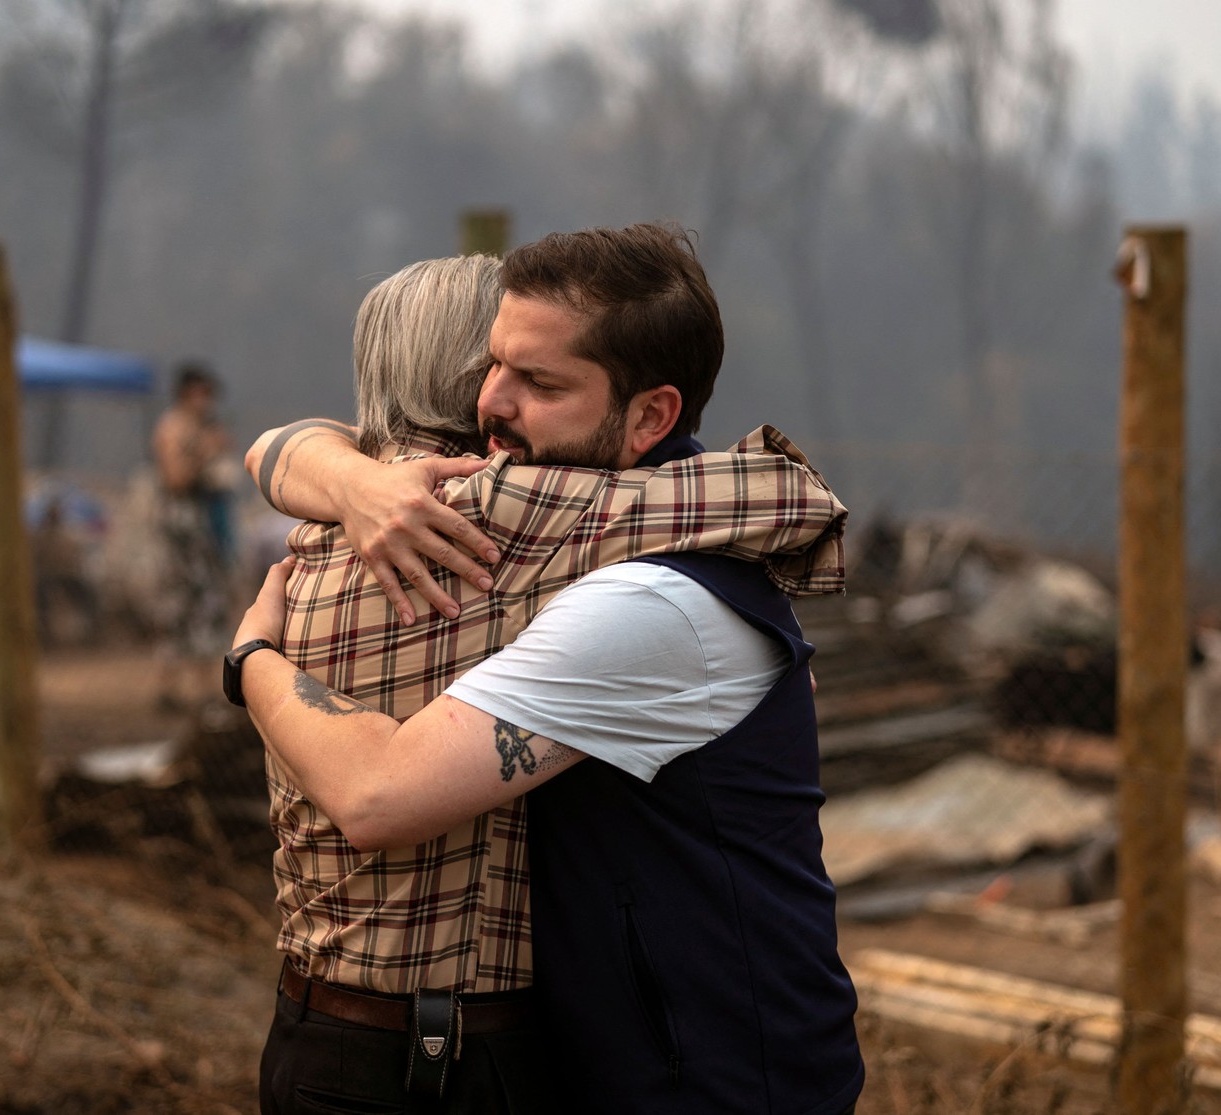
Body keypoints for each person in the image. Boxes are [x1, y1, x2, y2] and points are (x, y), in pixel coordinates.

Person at [236, 239, 854, 1114]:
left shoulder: (634, 596)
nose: (493, 400)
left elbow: (376, 794)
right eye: (491, 363)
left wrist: (253, 657)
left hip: (714, 1079)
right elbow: (777, 504)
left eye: (541, 381)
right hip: (603, 1056)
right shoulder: (518, 526)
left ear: (648, 419)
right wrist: (348, 475)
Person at [151, 361, 232, 709]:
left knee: (200, 606)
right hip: (181, 529)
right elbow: (175, 479)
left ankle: (196, 688)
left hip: (198, 528)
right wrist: (206, 451)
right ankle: (178, 688)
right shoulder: (173, 428)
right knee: (185, 607)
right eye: (203, 394)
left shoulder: (196, 427)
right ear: (188, 393)